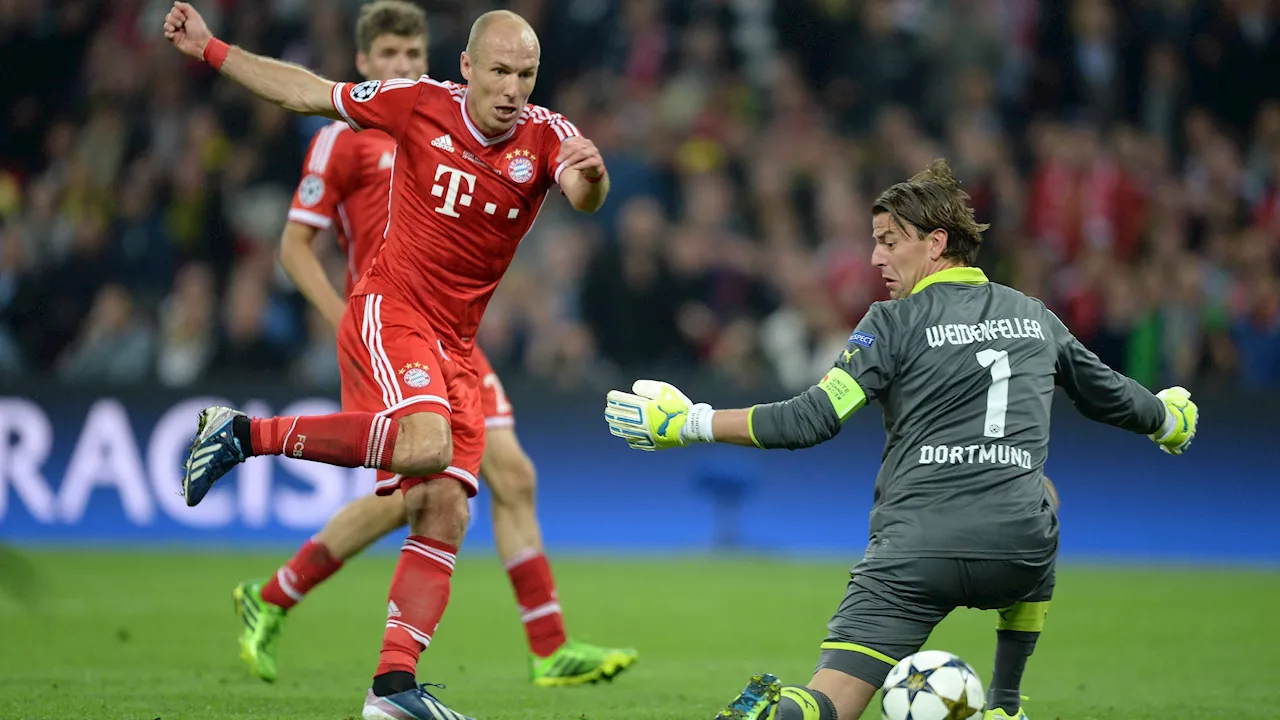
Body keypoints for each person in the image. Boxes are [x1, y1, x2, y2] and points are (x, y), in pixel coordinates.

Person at [603, 159, 1199, 720]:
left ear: (935, 244)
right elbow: (1113, 397)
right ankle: (1007, 704)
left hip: (915, 557)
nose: (875, 256)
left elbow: (809, 420)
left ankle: (788, 712)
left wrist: (690, 422)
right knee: (1042, 494)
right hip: (1016, 556)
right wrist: (1168, 419)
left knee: (827, 702)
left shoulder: (889, 324)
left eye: (889, 241)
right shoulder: (1035, 315)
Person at [162, 3, 614, 718]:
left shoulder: (545, 133)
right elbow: (304, 91)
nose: (511, 89)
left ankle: (392, 690)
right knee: (427, 451)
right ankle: (244, 434)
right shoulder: (415, 106)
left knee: (441, 506)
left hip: (458, 345)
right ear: (466, 67)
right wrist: (212, 49)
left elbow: (583, 193)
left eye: (525, 74)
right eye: (498, 71)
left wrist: (592, 178)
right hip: (391, 308)